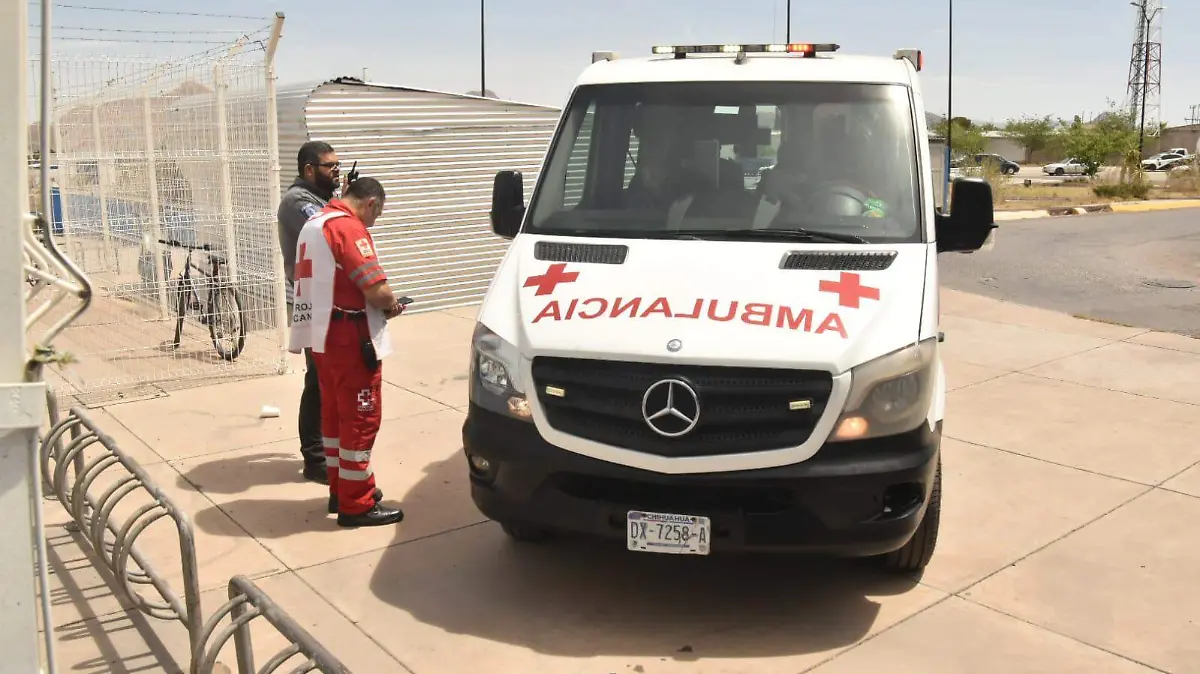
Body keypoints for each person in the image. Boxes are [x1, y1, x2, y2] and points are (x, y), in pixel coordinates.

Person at [288, 177, 408, 528]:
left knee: (335, 416)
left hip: (322, 336)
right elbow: (376, 288)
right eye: (377, 214)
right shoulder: (347, 228)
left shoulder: (315, 222)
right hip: (350, 337)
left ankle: (341, 489)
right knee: (360, 417)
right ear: (370, 203)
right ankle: (357, 504)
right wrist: (391, 305)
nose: (373, 222)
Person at [278, 141, 342, 484]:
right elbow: (331, 231)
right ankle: (315, 459)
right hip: (312, 300)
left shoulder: (324, 200)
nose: (336, 171)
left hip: (329, 297)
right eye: (329, 166)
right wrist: (347, 205)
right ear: (308, 170)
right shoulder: (296, 202)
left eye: (337, 165)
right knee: (318, 380)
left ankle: (327, 451)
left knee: (329, 378)